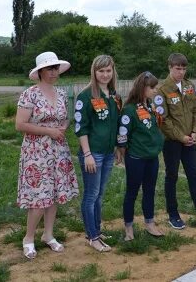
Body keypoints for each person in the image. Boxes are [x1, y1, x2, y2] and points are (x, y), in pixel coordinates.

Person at [15, 51, 79, 260]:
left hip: (58, 150)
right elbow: (20, 124)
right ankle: (28, 238)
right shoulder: (30, 94)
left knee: (54, 195)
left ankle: (48, 235)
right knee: (38, 197)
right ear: (40, 71)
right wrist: (48, 131)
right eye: (50, 68)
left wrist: (63, 126)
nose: (54, 72)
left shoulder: (60, 93)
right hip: (37, 152)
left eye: (56, 68)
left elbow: (64, 118)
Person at [155, 53, 196, 230]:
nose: (181, 72)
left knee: (194, 176)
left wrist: (193, 132)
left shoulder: (189, 86)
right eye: (178, 68)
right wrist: (181, 137)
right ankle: (173, 214)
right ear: (170, 67)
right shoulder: (161, 90)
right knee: (172, 176)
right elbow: (163, 120)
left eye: (184, 68)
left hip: (189, 141)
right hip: (172, 142)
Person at [74, 55, 123, 252]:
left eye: (108, 71)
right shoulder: (86, 96)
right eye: (101, 71)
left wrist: (119, 149)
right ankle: (92, 237)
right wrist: (87, 154)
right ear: (94, 72)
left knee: (100, 195)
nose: (105, 74)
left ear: (113, 72)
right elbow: (81, 127)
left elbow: (118, 125)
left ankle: (96, 230)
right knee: (91, 195)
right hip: (93, 154)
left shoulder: (114, 96)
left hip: (109, 153)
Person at [119, 71, 165, 241]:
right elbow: (123, 134)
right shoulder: (129, 110)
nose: (155, 90)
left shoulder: (151, 106)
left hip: (152, 157)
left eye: (155, 87)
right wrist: (122, 151)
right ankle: (128, 227)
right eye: (152, 87)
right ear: (142, 88)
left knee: (150, 191)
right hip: (136, 158)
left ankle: (150, 223)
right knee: (132, 192)